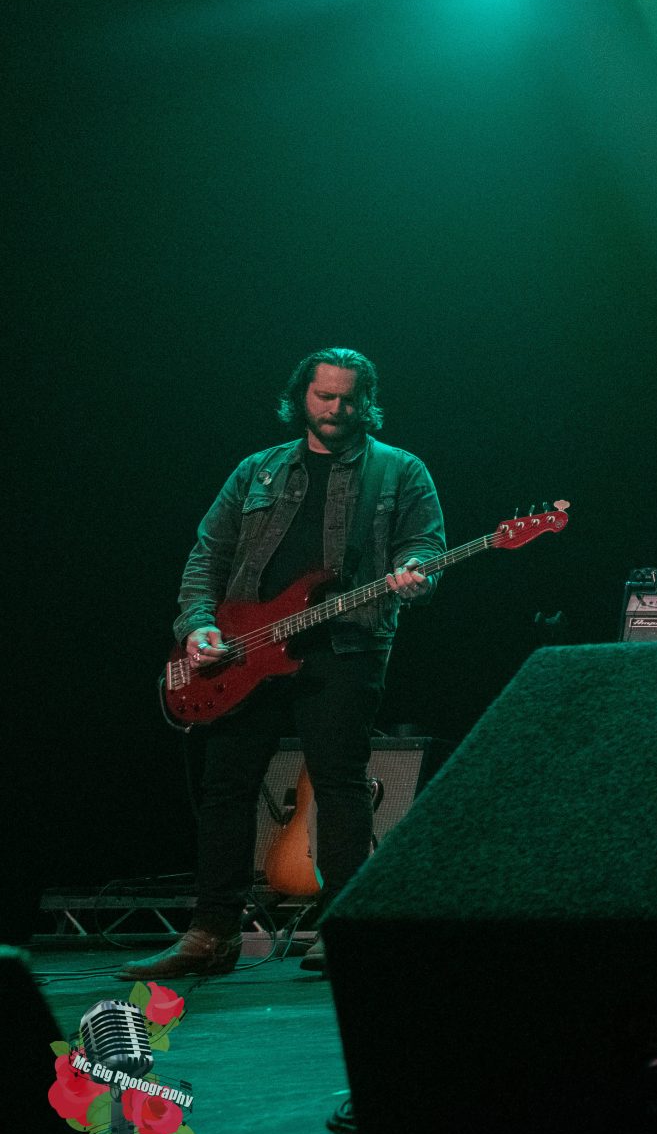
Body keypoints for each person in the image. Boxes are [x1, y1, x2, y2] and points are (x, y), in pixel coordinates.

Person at [122, 349, 446, 980]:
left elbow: (423, 546)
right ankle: (212, 932)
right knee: (226, 787)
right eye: (325, 396)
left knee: (340, 785)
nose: (337, 409)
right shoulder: (257, 470)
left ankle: (341, 929)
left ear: (367, 401)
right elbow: (207, 555)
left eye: (349, 398)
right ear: (302, 396)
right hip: (245, 652)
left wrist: (416, 576)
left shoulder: (400, 470)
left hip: (344, 647)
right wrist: (198, 625)